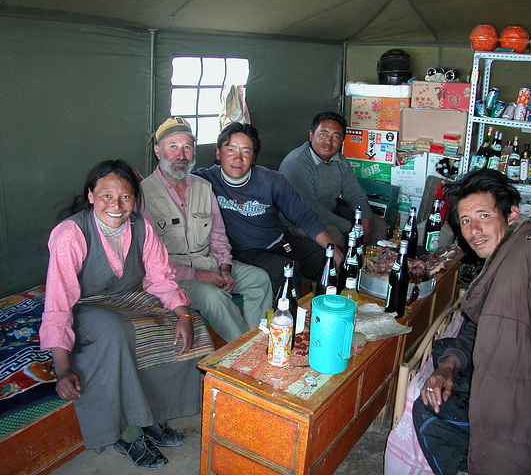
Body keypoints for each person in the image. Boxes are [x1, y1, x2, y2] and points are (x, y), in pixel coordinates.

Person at [412, 168, 531, 475]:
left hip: (525, 427)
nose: (474, 230)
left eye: (484, 215)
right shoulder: (506, 259)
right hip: (499, 398)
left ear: (511, 215)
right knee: (428, 408)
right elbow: (488, 326)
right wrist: (448, 365)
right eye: (466, 221)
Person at [40, 159, 213, 469]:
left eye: (126, 197)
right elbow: (59, 303)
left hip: (129, 296)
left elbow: (161, 278)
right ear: (91, 196)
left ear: (136, 199)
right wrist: (62, 368)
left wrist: (184, 315)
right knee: (115, 333)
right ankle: (126, 431)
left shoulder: (141, 227)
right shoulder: (71, 234)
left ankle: (152, 416)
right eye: (106, 196)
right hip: (86, 303)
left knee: (191, 323)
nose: (117, 205)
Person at [140, 118, 273, 341]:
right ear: (157, 150)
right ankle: (243, 352)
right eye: (173, 146)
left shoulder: (203, 187)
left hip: (209, 264)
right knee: (214, 298)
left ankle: (259, 340)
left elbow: (218, 235)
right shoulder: (143, 194)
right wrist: (197, 275)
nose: (181, 155)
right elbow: (150, 261)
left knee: (259, 279)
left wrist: (225, 267)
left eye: (187, 147)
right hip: (175, 277)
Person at [194, 122, 343, 294]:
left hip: (281, 242)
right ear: (218, 153)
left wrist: (334, 250)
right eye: (231, 149)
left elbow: (305, 217)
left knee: (329, 262)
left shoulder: (272, 181)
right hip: (245, 252)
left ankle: (336, 312)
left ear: (254, 157)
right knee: (288, 271)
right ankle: (291, 319)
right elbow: (172, 180)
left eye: (246, 151)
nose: (238, 158)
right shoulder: (205, 180)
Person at [279, 111, 386, 247]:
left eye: (336, 136)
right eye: (323, 134)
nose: (329, 141)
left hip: (328, 215)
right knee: (333, 234)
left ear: (342, 141)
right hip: (297, 223)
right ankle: (342, 267)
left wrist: (365, 222)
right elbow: (309, 209)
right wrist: (349, 227)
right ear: (311, 135)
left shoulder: (340, 161)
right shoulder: (297, 163)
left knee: (377, 223)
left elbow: (356, 195)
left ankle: (369, 265)